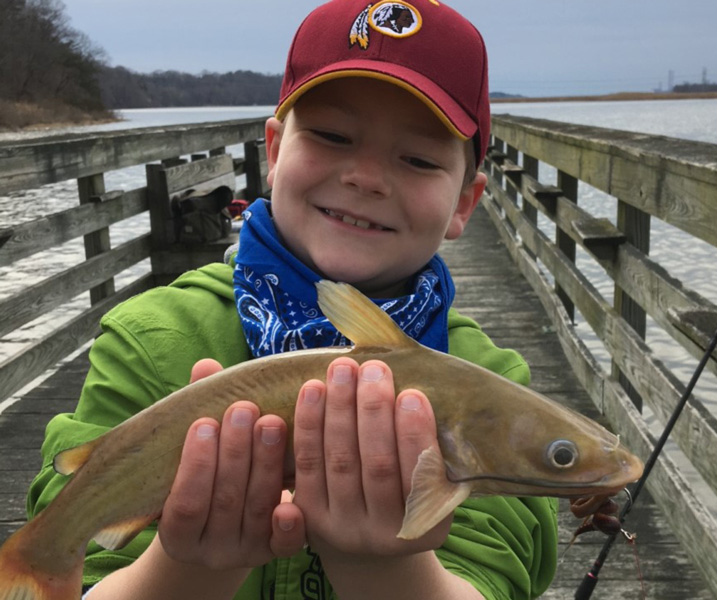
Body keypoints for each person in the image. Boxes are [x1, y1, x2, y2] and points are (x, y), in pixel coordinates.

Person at [27, 0, 559, 598]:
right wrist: (187, 570)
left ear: (465, 202)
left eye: (417, 158)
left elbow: (498, 572)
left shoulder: (492, 382)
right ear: (275, 151)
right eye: (332, 136)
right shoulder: (150, 340)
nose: (366, 177)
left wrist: (387, 569)